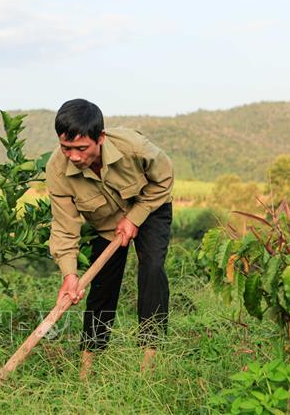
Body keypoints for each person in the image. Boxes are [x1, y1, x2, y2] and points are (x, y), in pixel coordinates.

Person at [45, 98, 173, 379]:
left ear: (100, 138)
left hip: (149, 207)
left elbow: (164, 178)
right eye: (67, 148)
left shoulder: (133, 147)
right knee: (102, 286)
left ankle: (150, 359)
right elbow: (64, 228)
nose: (74, 156)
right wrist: (69, 275)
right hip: (106, 226)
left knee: (151, 267)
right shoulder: (57, 171)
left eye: (81, 148)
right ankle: (87, 366)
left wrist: (135, 217)